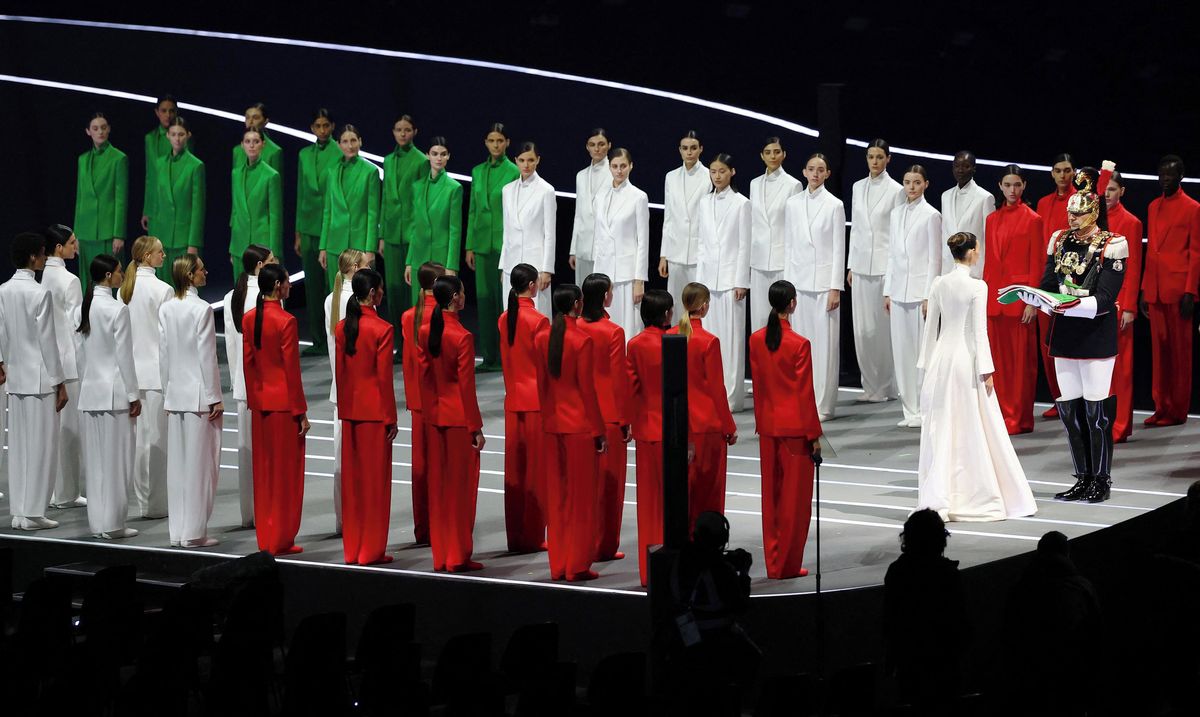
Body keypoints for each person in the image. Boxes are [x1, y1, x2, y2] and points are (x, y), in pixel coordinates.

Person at [917, 232, 1037, 521]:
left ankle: (944, 491)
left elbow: (930, 328)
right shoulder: (977, 286)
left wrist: (927, 364)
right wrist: (987, 369)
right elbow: (980, 332)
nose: (979, 252)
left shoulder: (938, 283)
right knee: (972, 422)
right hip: (965, 360)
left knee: (943, 424)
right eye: (978, 248)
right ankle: (974, 491)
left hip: (942, 360)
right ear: (971, 252)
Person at [1029, 162, 1127, 504]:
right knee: (1070, 412)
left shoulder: (1113, 243)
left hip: (1096, 335)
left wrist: (1067, 303)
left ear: (1094, 212)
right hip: (1065, 334)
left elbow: (1105, 298)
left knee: (1097, 413)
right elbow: (1047, 283)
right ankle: (1082, 477)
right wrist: (1038, 299)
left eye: (1079, 213)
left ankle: (1102, 479)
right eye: (1070, 212)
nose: (1072, 218)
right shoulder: (1059, 240)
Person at [749, 280, 822, 579]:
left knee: (772, 498)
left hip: (768, 427)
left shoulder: (756, 339)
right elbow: (805, 394)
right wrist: (814, 435)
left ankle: (774, 562)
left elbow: (758, 385)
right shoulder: (799, 344)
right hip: (795, 430)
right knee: (795, 502)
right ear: (792, 303)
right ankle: (787, 564)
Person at [535, 284, 607, 581]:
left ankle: (559, 563)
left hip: (553, 426)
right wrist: (599, 431)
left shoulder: (542, 337)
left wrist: (547, 419)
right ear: (577, 304)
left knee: (558, 498)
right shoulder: (581, 340)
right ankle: (576, 564)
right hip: (578, 428)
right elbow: (587, 392)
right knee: (581, 500)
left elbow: (542, 386)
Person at [0, 233, 68, 530]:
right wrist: (59, 381)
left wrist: (1, 362)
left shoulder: (4, 290)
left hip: (16, 377)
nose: (44, 257)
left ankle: (20, 511)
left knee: (19, 447)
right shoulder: (40, 293)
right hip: (40, 380)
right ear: (32, 257)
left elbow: (1, 331)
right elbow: (47, 342)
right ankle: (33, 512)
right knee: (42, 447)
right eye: (41, 253)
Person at [419, 275, 486, 572]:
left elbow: (425, 378)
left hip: (435, 418)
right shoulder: (462, 337)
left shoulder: (426, 331)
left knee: (440, 489)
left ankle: (442, 554)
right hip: (458, 420)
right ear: (455, 298)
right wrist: (475, 427)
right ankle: (458, 555)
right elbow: (466, 388)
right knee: (460, 491)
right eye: (462, 292)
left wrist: (429, 413)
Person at [243, 264, 311, 555]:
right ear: (277, 286)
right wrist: (301, 411)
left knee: (265, 472)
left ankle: (267, 537)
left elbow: (248, 364)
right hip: (284, 407)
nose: (290, 285)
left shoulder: (249, 318)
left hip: (261, 405)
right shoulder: (286, 321)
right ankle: (281, 538)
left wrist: (254, 399)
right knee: (286, 475)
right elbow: (291, 371)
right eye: (286, 282)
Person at [159, 254, 223, 547]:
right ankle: (194, 533)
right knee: (200, 467)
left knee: (178, 467)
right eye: (201, 269)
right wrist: (214, 397)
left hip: (176, 394)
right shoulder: (202, 309)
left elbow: (163, 354)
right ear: (190, 275)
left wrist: (167, 392)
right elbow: (207, 356)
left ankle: (178, 532)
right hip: (198, 397)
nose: (205, 272)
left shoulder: (167, 308)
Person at [335, 267, 397, 565]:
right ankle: (371, 550)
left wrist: (345, 409)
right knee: (375, 485)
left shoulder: (342, 327)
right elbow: (384, 379)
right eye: (380, 289)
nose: (382, 293)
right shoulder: (382, 329)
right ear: (372, 293)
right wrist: (390, 417)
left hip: (351, 414)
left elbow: (341, 374)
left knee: (354, 485)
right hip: (374, 415)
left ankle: (353, 549)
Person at [75, 254, 140, 539]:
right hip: (114, 394)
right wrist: (134, 394)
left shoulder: (84, 306)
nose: (122, 275)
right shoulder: (117, 310)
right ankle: (113, 524)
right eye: (119, 271)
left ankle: (98, 523)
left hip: (91, 392)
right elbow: (124, 357)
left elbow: (80, 354)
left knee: (96, 463)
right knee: (117, 462)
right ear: (108, 276)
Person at [667, 282, 737, 528]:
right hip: (707, 426)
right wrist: (729, 426)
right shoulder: (709, 341)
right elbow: (717, 389)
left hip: (678, 423)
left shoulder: (671, 336)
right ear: (704, 306)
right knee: (708, 493)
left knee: (681, 490)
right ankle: (705, 540)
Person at [783, 152, 846, 421]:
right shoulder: (793, 203)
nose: (815, 174)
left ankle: (823, 404)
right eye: (811, 169)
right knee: (800, 346)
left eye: (820, 170)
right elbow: (789, 245)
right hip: (798, 282)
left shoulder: (834, 205)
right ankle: (802, 400)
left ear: (827, 174)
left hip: (822, 285)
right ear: (804, 172)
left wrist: (835, 287)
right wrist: (787, 288)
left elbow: (838, 248)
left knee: (824, 347)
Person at [883, 509, 967, 708]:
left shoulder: (898, 572)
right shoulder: (948, 574)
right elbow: (963, 623)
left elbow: (889, 621)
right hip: (944, 662)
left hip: (910, 660)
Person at [983, 165, 1045, 435]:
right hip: (995, 300)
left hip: (1020, 300)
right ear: (1000, 186)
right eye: (1007, 185)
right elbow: (989, 262)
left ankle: (1019, 417)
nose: (1012, 190)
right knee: (998, 363)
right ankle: (999, 415)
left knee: (1021, 365)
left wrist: (1032, 301)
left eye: (1017, 185)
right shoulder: (991, 219)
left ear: (1024, 186)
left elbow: (1037, 263)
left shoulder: (1033, 219)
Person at [1141, 154, 1200, 427]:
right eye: (1162, 174)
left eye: (1170, 174)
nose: (1165, 179)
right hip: (1155, 288)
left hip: (1178, 290)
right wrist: (1145, 288)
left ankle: (1177, 410)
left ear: (1180, 176)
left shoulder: (1192, 208)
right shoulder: (1153, 206)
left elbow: (1196, 253)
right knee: (1160, 354)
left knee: (1179, 354)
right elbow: (1151, 250)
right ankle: (1160, 405)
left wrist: (1191, 291)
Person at [578, 273, 632, 562]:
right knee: (609, 488)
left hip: (580, 414)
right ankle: (604, 545)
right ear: (605, 296)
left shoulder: (574, 326)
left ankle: (583, 542)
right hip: (608, 415)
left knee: (583, 484)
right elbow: (617, 380)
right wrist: (624, 420)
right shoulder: (613, 332)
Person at [884, 165, 942, 428]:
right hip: (898, 291)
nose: (911, 187)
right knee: (902, 351)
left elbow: (934, 259)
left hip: (920, 293)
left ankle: (924, 408)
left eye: (917, 182)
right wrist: (887, 290)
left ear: (925, 184)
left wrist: (929, 295)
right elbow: (891, 255)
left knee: (922, 353)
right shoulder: (896, 213)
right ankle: (909, 409)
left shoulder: (931, 215)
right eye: (907, 182)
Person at [498, 263, 551, 553]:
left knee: (515, 471)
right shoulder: (539, 321)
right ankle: (533, 535)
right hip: (535, 403)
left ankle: (516, 535)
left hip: (513, 400)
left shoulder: (504, 318)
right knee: (535, 472)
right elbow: (546, 367)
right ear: (532, 286)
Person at [222, 244, 275, 527]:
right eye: (271, 260)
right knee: (266, 454)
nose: (276, 263)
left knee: (247, 452)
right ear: (260, 266)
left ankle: (248, 514)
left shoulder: (232, 296)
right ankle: (266, 511)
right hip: (266, 385)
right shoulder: (268, 298)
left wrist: (236, 381)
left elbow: (231, 346)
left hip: (243, 385)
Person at [120, 235, 173, 518]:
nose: (164, 256)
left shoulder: (123, 290)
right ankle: (156, 505)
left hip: (131, 373)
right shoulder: (163, 290)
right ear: (147, 257)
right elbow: (165, 340)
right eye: (160, 252)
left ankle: (143, 502)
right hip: (155, 375)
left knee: (139, 443)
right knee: (157, 442)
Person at [847, 139, 903, 404]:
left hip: (883, 267)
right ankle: (870, 385)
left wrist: (894, 270)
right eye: (871, 156)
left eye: (880, 157)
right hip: (860, 266)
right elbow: (856, 228)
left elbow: (897, 233)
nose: (875, 161)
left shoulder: (897, 190)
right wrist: (850, 264)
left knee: (883, 330)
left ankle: (887, 385)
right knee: (863, 329)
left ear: (888, 159)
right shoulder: (858, 187)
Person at [695, 153, 751, 412]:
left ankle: (731, 398)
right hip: (708, 281)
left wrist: (741, 281)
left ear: (732, 172)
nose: (717, 176)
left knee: (731, 342)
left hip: (730, 282)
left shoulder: (741, 203)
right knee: (709, 340)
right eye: (713, 172)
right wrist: (698, 284)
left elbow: (744, 245)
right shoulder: (704, 202)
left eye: (722, 171)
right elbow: (701, 243)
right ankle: (712, 394)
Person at [627, 290, 673, 586]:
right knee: (672, 505)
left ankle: (648, 571)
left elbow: (631, 387)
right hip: (671, 429)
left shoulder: (634, 344)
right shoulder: (674, 343)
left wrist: (629, 423)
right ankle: (670, 572)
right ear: (666, 314)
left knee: (648, 504)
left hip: (645, 430)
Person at [466, 123, 520, 371]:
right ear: (486, 143)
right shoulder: (477, 171)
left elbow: (515, 213)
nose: (496, 145)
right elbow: (473, 209)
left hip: (503, 244)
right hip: (481, 245)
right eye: (491, 141)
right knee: (484, 300)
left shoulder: (513, 171)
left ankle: (506, 356)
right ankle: (489, 357)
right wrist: (469, 245)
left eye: (500, 140)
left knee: (504, 302)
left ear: (507, 143)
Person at [324, 249, 370, 534]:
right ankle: (357, 516)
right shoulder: (359, 301)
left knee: (340, 456)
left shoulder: (331, 299)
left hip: (338, 389)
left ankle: (342, 518)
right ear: (354, 268)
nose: (369, 268)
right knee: (359, 459)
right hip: (358, 391)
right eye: (365, 265)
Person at [400, 261, 446, 546]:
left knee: (421, 466)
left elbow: (408, 362)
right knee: (442, 466)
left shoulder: (409, 316)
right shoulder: (442, 315)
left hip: (417, 400)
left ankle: (423, 529)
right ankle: (441, 525)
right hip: (441, 400)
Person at [42, 225, 86, 508]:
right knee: (69, 431)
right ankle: (67, 493)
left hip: (46, 360)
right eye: (72, 242)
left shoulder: (42, 275)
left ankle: (53, 490)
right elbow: (75, 326)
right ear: (59, 248)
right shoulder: (70, 280)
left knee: (52, 431)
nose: (76, 246)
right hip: (68, 361)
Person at [591, 147, 650, 343]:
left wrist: (639, 280)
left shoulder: (638, 197)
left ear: (631, 166)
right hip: (604, 272)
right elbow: (599, 237)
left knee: (628, 327)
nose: (619, 170)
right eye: (615, 166)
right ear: (609, 167)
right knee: (605, 326)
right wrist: (595, 274)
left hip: (627, 274)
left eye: (623, 166)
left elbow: (643, 241)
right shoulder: (600, 196)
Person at [1035, 153, 1077, 420]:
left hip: (1072, 281)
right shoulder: (1043, 203)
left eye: (1067, 170)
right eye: (1058, 170)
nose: (1063, 175)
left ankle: (1072, 397)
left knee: (1068, 341)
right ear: (1052, 173)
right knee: (1046, 343)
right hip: (1047, 280)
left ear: (1074, 172)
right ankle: (1058, 398)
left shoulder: (1080, 201)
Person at [295, 108, 340, 357]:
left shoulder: (339, 152)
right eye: (317, 126)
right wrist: (298, 232)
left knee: (332, 286)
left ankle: (335, 337)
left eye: (326, 125)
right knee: (312, 287)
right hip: (309, 227)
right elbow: (301, 193)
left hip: (331, 226)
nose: (322, 130)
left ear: (332, 126)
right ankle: (318, 340)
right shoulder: (304, 154)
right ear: (312, 128)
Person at [381, 114, 426, 359]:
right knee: (394, 289)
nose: (402, 134)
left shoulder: (421, 160)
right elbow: (385, 198)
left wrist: (417, 232)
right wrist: (380, 235)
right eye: (398, 129)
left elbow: (421, 202)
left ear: (414, 132)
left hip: (411, 233)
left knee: (412, 292)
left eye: (407, 129)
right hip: (390, 233)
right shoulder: (388, 160)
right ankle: (399, 343)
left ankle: (413, 342)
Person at [1104, 172, 1143, 443]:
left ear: (1122, 191)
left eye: (1112, 189)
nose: (1107, 194)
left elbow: (1134, 266)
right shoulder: (1094, 220)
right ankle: (1103, 422)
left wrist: (1129, 307)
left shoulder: (1131, 222)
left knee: (1122, 368)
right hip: (1097, 303)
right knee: (1101, 366)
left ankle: (1120, 424)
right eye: (1104, 189)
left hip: (1120, 304)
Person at [749, 137, 802, 334]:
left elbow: (795, 227)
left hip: (782, 261)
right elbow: (753, 223)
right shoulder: (754, 184)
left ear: (784, 154)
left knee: (782, 318)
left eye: (777, 152)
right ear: (762, 156)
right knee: (759, 317)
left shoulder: (793, 185)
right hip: (758, 259)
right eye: (768, 152)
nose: (773, 156)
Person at [498, 141, 556, 317]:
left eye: (530, 160)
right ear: (515, 160)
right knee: (511, 314)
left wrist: (547, 270)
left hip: (535, 266)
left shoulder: (546, 190)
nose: (526, 165)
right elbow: (507, 231)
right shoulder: (507, 190)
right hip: (511, 265)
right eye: (522, 160)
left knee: (536, 315)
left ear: (537, 160)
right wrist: (503, 266)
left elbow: (550, 234)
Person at [320, 125, 380, 290]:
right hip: (334, 244)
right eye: (345, 141)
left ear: (360, 142)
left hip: (359, 245)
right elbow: (328, 211)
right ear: (338, 144)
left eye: (353, 140)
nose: (350, 145)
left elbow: (373, 214)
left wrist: (370, 249)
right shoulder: (332, 171)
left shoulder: (370, 171)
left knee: (361, 294)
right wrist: (323, 247)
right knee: (336, 294)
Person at [405, 136, 463, 304]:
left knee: (441, 307)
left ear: (448, 156)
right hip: (418, 257)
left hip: (441, 259)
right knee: (418, 306)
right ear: (427, 155)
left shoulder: (454, 188)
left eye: (443, 154)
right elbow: (414, 227)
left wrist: (451, 266)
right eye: (434, 153)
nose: (439, 158)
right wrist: (409, 262)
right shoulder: (417, 187)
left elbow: (455, 230)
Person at [75, 112, 128, 290]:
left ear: (109, 129)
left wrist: (119, 234)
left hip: (108, 231)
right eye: (95, 128)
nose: (100, 132)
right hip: (85, 232)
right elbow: (80, 198)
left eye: (103, 128)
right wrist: (75, 235)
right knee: (89, 282)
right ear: (88, 131)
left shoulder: (119, 158)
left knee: (112, 281)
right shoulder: (83, 159)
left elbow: (121, 199)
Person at [147, 116, 205, 280]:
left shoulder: (196, 166)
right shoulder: (159, 163)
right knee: (162, 285)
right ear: (168, 136)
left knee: (185, 286)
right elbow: (156, 203)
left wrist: (193, 243)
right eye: (173, 134)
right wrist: (152, 240)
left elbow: (198, 208)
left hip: (184, 238)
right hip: (162, 235)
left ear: (188, 135)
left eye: (181, 134)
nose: (177, 139)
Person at [659, 131, 710, 311]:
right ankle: (678, 331)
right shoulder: (671, 177)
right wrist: (664, 255)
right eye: (685, 148)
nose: (689, 152)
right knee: (676, 302)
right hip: (676, 251)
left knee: (698, 302)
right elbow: (668, 217)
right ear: (680, 150)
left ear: (700, 149)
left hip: (699, 252)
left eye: (693, 148)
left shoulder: (709, 176)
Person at [229, 127, 283, 274]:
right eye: (247, 141)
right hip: (239, 245)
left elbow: (275, 216)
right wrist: (232, 247)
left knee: (261, 286)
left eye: (256, 141)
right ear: (242, 145)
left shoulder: (271, 175)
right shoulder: (236, 174)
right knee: (240, 285)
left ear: (263, 144)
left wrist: (274, 252)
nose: (251, 145)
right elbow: (235, 211)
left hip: (262, 246)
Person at [939, 150, 994, 279]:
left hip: (974, 270)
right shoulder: (945, 196)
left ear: (974, 169)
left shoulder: (985, 197)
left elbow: (990, 239)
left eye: (966, 166)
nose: (960, 170)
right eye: (957, 166)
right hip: (949, 268)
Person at [568, 128, 612, 282]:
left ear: (609, 145)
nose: (597, 148)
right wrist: (573, 249)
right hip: (583, 247)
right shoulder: (581, 175)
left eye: (601, 144)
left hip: (605, 247)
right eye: (592, 145)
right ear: (587, 147)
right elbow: (578, 214)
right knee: (582, 291)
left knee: (602, 290)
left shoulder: (615, 173)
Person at [141, 95, 178, 232]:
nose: (168, 115)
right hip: (155, 207)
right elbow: (150, 176)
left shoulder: (184, 138)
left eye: (171, 111)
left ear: (176, 112)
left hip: (176, 205)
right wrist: (147, 210)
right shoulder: (150, 138)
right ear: (157, 112)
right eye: (163, 111)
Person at [231, 102, 283, 173]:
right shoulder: (237, 151)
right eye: (247, 118)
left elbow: (276, 179)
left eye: (255, 118)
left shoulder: (274, 152)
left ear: (265, 121)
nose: (250, 122)